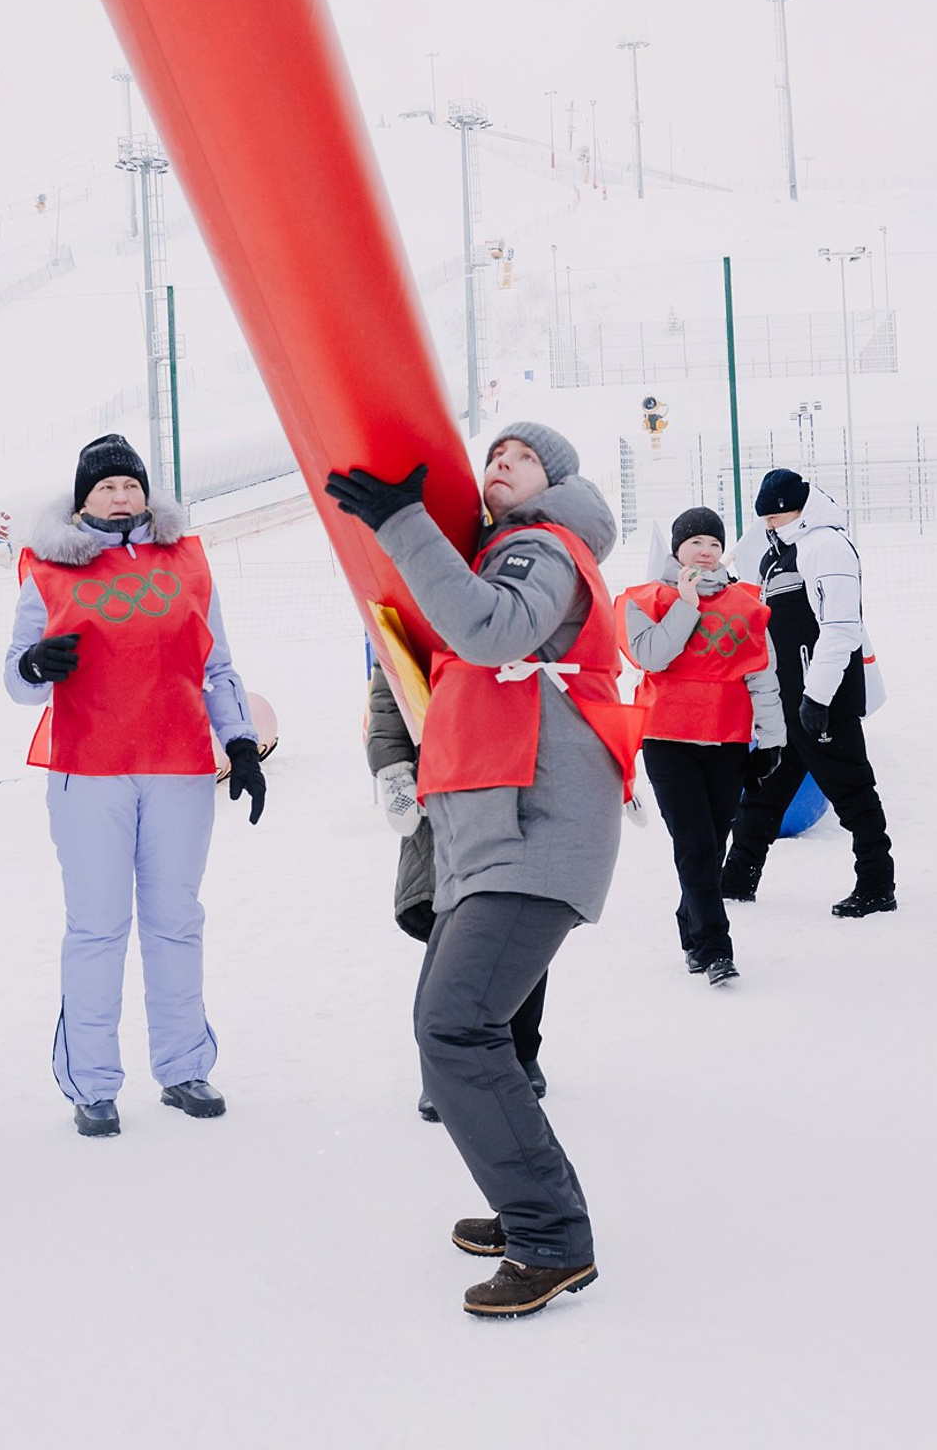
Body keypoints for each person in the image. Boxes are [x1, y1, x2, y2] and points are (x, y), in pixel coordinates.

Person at [326, 422, 641, 1320]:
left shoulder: (543, 545)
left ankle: (550, 1237)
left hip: (537, 835)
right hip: (493, 840)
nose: (501, 462)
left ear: (555, 483)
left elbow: (491, 629)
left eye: (523, 456)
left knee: (456, 1028)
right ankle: (527, 1208)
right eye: (492, 453)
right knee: (458, 1029)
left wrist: (403, 523)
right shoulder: (506, 549)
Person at [6, 435, 265, 1135]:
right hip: (89, 771)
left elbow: (218, 663)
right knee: (97, 927)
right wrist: (34, 665)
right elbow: (15, 677)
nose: (121, 496)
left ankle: (184, 1068)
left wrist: (239, 741)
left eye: (131, 485)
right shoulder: (49, 566)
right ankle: (90, 1083)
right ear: (83, 498)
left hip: (178, 765)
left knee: (176, 922)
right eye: (106, 487)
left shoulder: (186, 560)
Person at [365, 662, 549, 1117]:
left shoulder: (529, 600)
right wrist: (392, 768)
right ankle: (447, 1072)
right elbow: (389, 685)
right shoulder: (419, 602)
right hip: (443, 780)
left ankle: (520, 1054)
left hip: (518, 773)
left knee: (518, 921)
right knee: (448, 929)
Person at [618, 505, 784, 984]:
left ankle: (691, 926)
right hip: (667, 740)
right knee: (694, 843)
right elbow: (653, 655)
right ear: (676, 550)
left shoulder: (746, 605)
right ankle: (715, 947)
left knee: (712, 843)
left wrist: (772, 742)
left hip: (727, 740)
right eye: (696, 543)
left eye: (714, 544)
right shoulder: (647, 600)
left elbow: (762, 677)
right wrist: (687, 604)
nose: (707, 552)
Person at [720, 470, 896, 917]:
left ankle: (877, 884)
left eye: (774, 516)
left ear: (794, 509)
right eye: (766, 519)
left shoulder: (826, 547)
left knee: (853, 791)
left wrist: (816, 698)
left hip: (822, 700)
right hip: (788, 700)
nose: (769, 525)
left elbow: (840, 630)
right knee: (764, 791)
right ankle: (738, 876)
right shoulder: (783, 553)